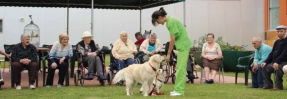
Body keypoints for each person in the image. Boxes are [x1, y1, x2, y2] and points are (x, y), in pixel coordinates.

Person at [151, 7, 192, 96]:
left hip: (183, 46)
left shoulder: (170, 22)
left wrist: (168, 54)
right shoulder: (170, 21)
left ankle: (179, 91)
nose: (158, 23)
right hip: (182, 46)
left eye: (157, 21)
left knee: (180, 68)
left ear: (160, 17)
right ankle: (177, 89)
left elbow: (172, 40)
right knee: (179, 68)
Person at [261, 25, 287, 90]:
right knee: (265, 67)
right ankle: (268, 85)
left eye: (281, 31)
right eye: (278, 31)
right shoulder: (277, 42)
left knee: (277, 67)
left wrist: (277, 62)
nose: (279, 33)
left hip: (284, 62)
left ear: (285, 31)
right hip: (276, 62)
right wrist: (266, 62)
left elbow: (284, 53)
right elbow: (272, 53)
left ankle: (278, 86)